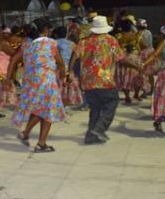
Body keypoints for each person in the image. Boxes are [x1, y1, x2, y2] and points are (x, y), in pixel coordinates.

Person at [8, 19, 66, 152]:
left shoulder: (26, 45)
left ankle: (25, 133)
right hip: (46, 81)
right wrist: (63, 75)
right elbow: (60, 62)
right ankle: (41, 143)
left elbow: (13, 61)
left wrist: (8, 79)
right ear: (45, 29)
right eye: (49, 29)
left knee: (40, 108)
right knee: (48, 111)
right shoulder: (50, 43)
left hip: (30, 82)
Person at [69, 16, 124, 144]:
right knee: (111, 103)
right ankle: (100, 128)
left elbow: (74, 56)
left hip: (88, 81)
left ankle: (90, 136)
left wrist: (69, 72)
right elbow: (120, 58)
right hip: (105, 80)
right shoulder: (111, 40)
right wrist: (137, 66)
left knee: (95, 109)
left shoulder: (83, 41)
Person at [0, 28, 17, 118]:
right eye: (5, 34)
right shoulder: (2, 43)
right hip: (2, 70)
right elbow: (14, 54)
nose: (7, 36)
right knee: (0, 92)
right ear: (0, 34)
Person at [53, 26, 83, 107]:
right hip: (68, 69)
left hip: (55, 69)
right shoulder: (72, 44)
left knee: (56, 89)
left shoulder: (52, 42)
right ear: (66, 34)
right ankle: (63, 108)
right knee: (65, 90)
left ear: (55, 34)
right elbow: (78, 56)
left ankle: (57, 107)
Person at [137, 19, 157, 97]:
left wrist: (138, 39)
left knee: (146, 73)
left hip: (146, 53)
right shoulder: (146, 32)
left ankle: (147, 90)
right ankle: (149, 90)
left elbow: (145, 45)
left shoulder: (145, 33)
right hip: (147, 52)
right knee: (148, 73)